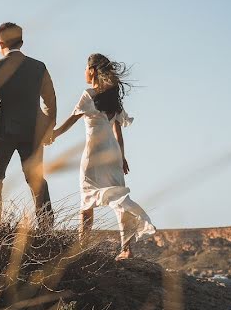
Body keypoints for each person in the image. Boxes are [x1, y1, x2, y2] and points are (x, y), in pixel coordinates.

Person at [51, 53, 155, 259]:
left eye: (85, 68)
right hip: (114, 153)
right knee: (118, 197)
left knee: (87, 200)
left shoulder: (89, 95)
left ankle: (82, 246)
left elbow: (71, 121)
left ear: (92, 71)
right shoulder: (112, 100)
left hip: (94, 154)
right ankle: (127, 249)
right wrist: (122, 157)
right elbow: (119, 134)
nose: (84, 72)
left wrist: (53, 134)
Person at [0, 22, 57, 228]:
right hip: (33, 133)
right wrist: (49, 128)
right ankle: (46, 226)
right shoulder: (38, 67)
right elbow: (50, 100)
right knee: (36, 179)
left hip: (2, 133)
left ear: (0, 43)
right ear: (22, 42)